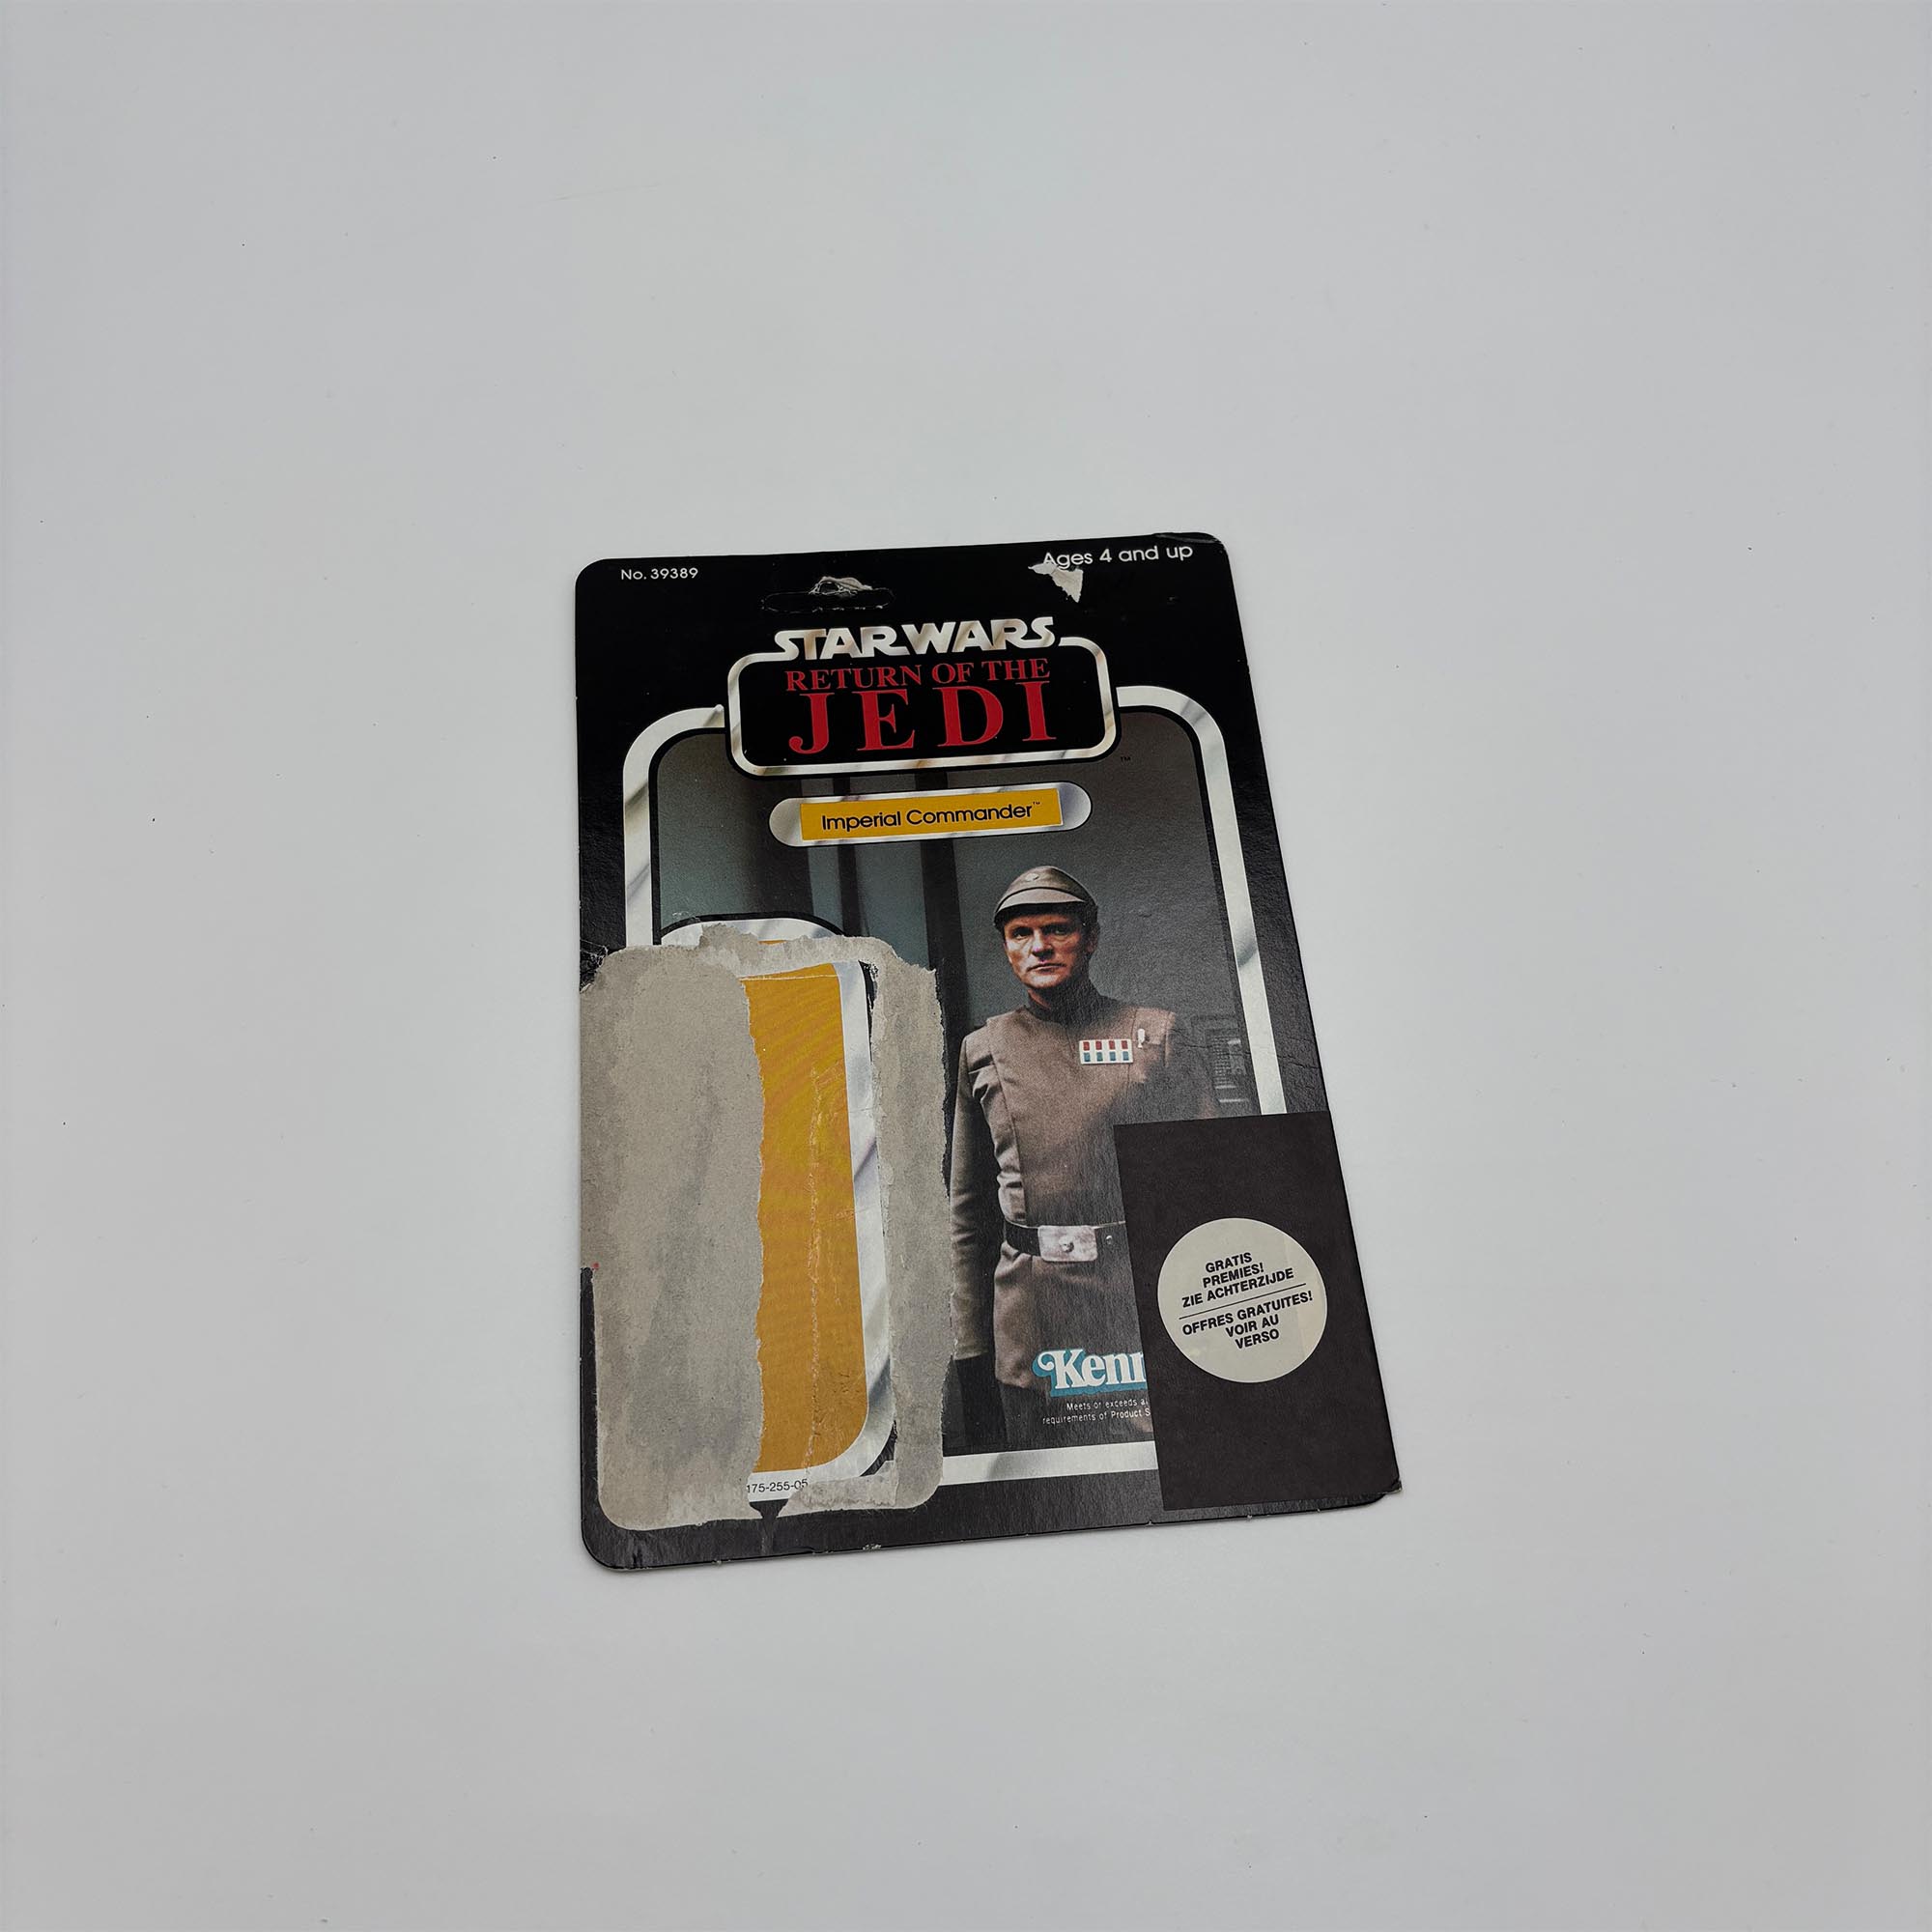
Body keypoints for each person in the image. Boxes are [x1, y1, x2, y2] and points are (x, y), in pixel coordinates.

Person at [948, 866, 1220, 1450]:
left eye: (1057, 929)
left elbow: (1209, 1191)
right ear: (1006, 948)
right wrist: (970, 1343)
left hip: (1138, 1301)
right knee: (1048, 1480)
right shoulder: (982, 1049)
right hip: (1031, 1318)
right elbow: (966, 1214)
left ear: (1090, 938)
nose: (1039, 946)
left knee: (1160, 1467)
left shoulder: (1156, 1035)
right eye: (1021, 934)